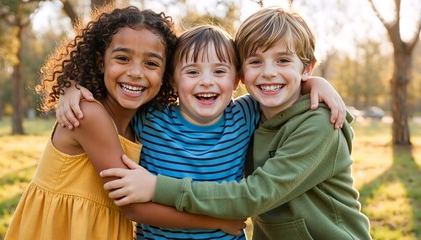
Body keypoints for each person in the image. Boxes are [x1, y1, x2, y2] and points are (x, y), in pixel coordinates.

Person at [99, 6, 372, 240]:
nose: (268, 72)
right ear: (243, 73)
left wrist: (157, 187)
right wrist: (72, 91)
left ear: (234, 79)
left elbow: (254, 195)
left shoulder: (316, 123)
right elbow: (114, 99)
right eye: (256, 61)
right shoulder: (251, 112)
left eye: (283, 60)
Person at [4, 6, 246, 240]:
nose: (136, 73)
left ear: (166, 75)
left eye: (151, 63)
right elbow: (132, 208)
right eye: (122, 58)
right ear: (101, 61)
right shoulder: (88, 114)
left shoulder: (143, 121)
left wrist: (71, 86)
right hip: (63, 230)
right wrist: (216, 221)